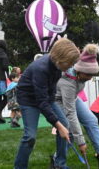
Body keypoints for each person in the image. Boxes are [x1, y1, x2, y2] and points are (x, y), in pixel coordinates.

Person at [13, 37, 79, 169]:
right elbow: (41, 103)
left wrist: (60, 124)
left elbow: (49, 94)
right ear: (61, 59)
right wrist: (58, 126)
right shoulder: (41, 68)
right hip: (28, 99)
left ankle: (59, 164)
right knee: (30, 136)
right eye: (70, 63)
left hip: (45, 98)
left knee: (65, 125)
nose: (72, 66)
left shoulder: (58, 66)